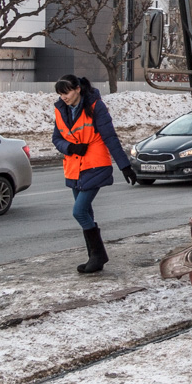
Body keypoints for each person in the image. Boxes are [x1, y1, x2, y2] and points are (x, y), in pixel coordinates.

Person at [52, 75, 137, 274]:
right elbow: (56, 138)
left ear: (78, 89)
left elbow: (110, 137)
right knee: (86, 213)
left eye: (66, 92)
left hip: (95, 165)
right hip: (74, 167)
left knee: (79, 211)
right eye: (60, 93)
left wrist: (125, 166)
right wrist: (70, 147)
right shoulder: (60, 109)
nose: (63, 97)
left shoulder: (96, 106)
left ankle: (98, 255)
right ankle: (94, 257)